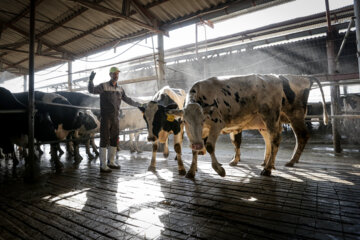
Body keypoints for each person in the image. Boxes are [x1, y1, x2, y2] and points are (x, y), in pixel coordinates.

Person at [88, 66, 142, 173]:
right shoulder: (103, 86)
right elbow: (91, 90)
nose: (116, 75)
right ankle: (103, 165)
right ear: (110, 75)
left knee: (114, 139)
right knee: (104, 139)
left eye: (117, 74)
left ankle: (111, 162)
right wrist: (90, 80)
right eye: (114, 74)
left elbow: (127, 99)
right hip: (106, 118)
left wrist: (138, 105)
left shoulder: (120, 89)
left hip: (116, 118)